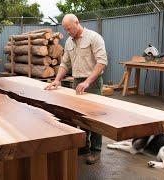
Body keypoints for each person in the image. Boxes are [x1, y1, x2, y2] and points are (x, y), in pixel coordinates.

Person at [44, 14, 108, 165]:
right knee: (79, 116)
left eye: (69, 28)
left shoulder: (94, 38)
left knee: (94, 117)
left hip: (92, 82)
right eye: (65, 29)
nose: (68, 32)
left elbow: (102, 62)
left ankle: (96, 150)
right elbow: (65, 63)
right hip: (77, 81)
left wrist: (87, 82)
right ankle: (84, 146)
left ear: (77, 23)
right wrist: (57, 79)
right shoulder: (68, 41)